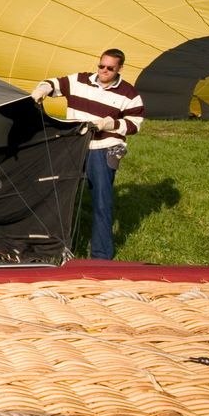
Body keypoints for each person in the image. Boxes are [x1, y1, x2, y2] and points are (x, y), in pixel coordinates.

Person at [30, 49, 145, 261]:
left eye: (110, 68)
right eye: (101, 66)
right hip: (74, 146)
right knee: (58, 196)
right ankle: (49, 248)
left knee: (102, 202)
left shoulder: (129, 94)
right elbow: (55, 84)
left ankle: (101, 257)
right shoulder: (80, 80)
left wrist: (111, 123)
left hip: (103, 148)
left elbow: (135, 124)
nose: (104, 71)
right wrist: (42, 89)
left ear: (120, 68)